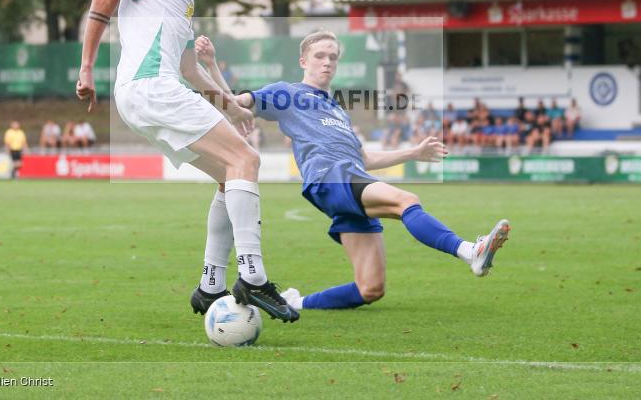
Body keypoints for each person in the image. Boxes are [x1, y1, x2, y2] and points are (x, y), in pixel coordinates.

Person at [75, 0, 298, 323]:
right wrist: (86, 67)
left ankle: (210, 284)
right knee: (246, 160)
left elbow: (188, 68)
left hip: (151, 93)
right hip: (151, 89)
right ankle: (252, 276)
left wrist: (230, 106)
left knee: (229, 176)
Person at [197, 31, 510, 312]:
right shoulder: (287, 93)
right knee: (405, 200)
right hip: (330, 178)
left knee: (370, 289)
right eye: (320, 56)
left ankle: (297, 302)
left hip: (351, 177)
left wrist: (414, 152)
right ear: (303, 60)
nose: (328, 62)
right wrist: (210, 66)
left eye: (333, 57)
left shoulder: (337, 108)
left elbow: (364, 158)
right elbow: (234, 104)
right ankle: (471, 251)